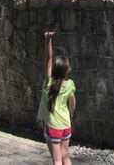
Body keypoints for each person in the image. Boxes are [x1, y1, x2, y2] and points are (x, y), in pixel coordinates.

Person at [37, 31, 76, 165]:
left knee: (57, 159)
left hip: (53, 127)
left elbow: (48, 59)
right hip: (66, 125)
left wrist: (48, 39)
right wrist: (71, 114)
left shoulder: (49, 83)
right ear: (67, 70)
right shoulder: (70, 84)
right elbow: (73, 103)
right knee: (65, 156)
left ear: (53, 69)